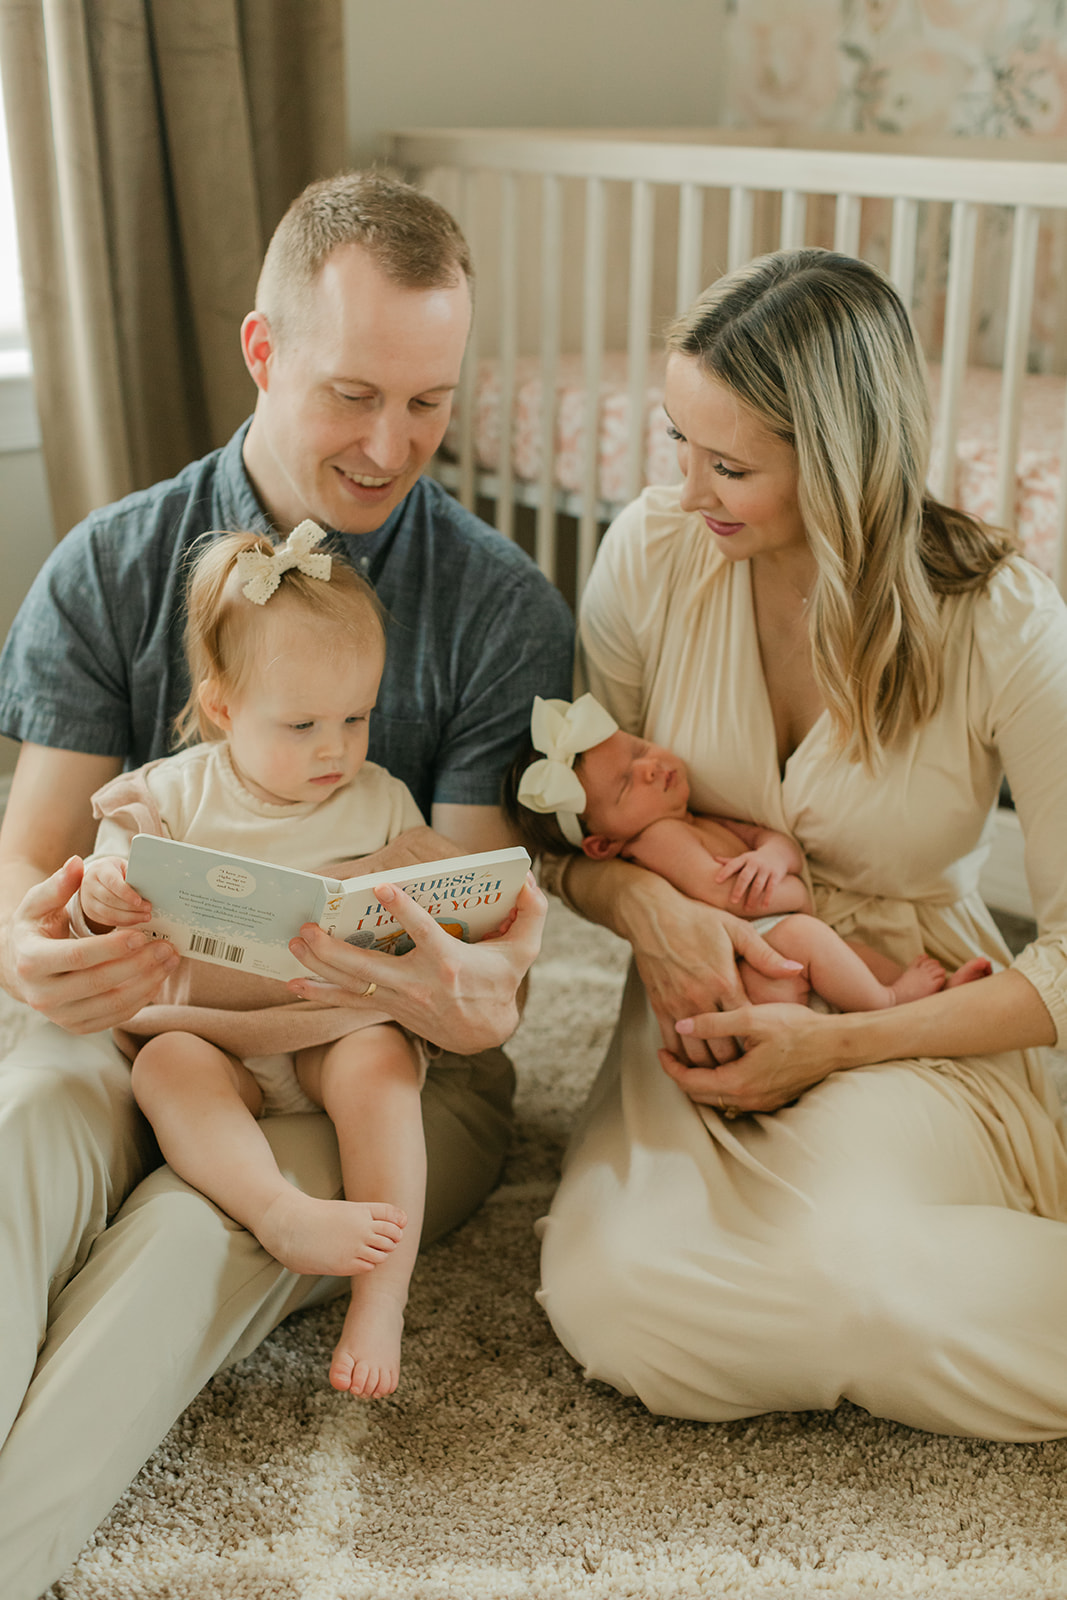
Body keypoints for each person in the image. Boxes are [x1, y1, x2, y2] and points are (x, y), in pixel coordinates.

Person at [0, 170, 576, 1597]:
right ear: (264, 355)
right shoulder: (110, 566)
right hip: (144, 1019)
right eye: (352, 394)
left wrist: (480, 975)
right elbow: (30, 857)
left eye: (430, 402)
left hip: (366, 1055)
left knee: (189, 1242)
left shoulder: (498, 605)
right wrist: (32, 946)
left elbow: (467, 898)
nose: (393, 447)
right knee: (22, 1123)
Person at [536, 247, 1067, 1442]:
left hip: (902, 1009)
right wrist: (646, 910)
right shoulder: (656, 553)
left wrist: (839, 1039)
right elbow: (577, 829)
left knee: (858, 1270)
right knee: (612, 1299)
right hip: (702, 993)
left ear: (837, 464)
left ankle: (897, 1275)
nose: (685, 490)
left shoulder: (1002, 621)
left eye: (727, 464)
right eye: (676, 444)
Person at [77, 522, 465, 1400]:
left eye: (356, 718)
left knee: (381, 1069)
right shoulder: (169, 793)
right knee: (167, 1069)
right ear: (221, 706)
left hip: (329, 1023)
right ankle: (276, 1209)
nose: (335, 748)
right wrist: (103, 894)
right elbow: (100, 884)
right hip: (212, 1029)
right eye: (302, 724)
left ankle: (380, 1298)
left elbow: (439, 896)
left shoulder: (381, 801)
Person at [506, 692, 992, 1024]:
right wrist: (793, 887)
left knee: (845, 952)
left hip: (772, 927)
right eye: (627, 783)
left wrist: (775, 860)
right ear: (603, 845)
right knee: (812, 937)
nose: (651, 767)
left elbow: (768, 838)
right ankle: (887, 1000)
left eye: (637, 748)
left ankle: (930, 997)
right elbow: (728, 895)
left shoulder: (692, 818)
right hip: (743, 945)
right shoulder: (656, 839)